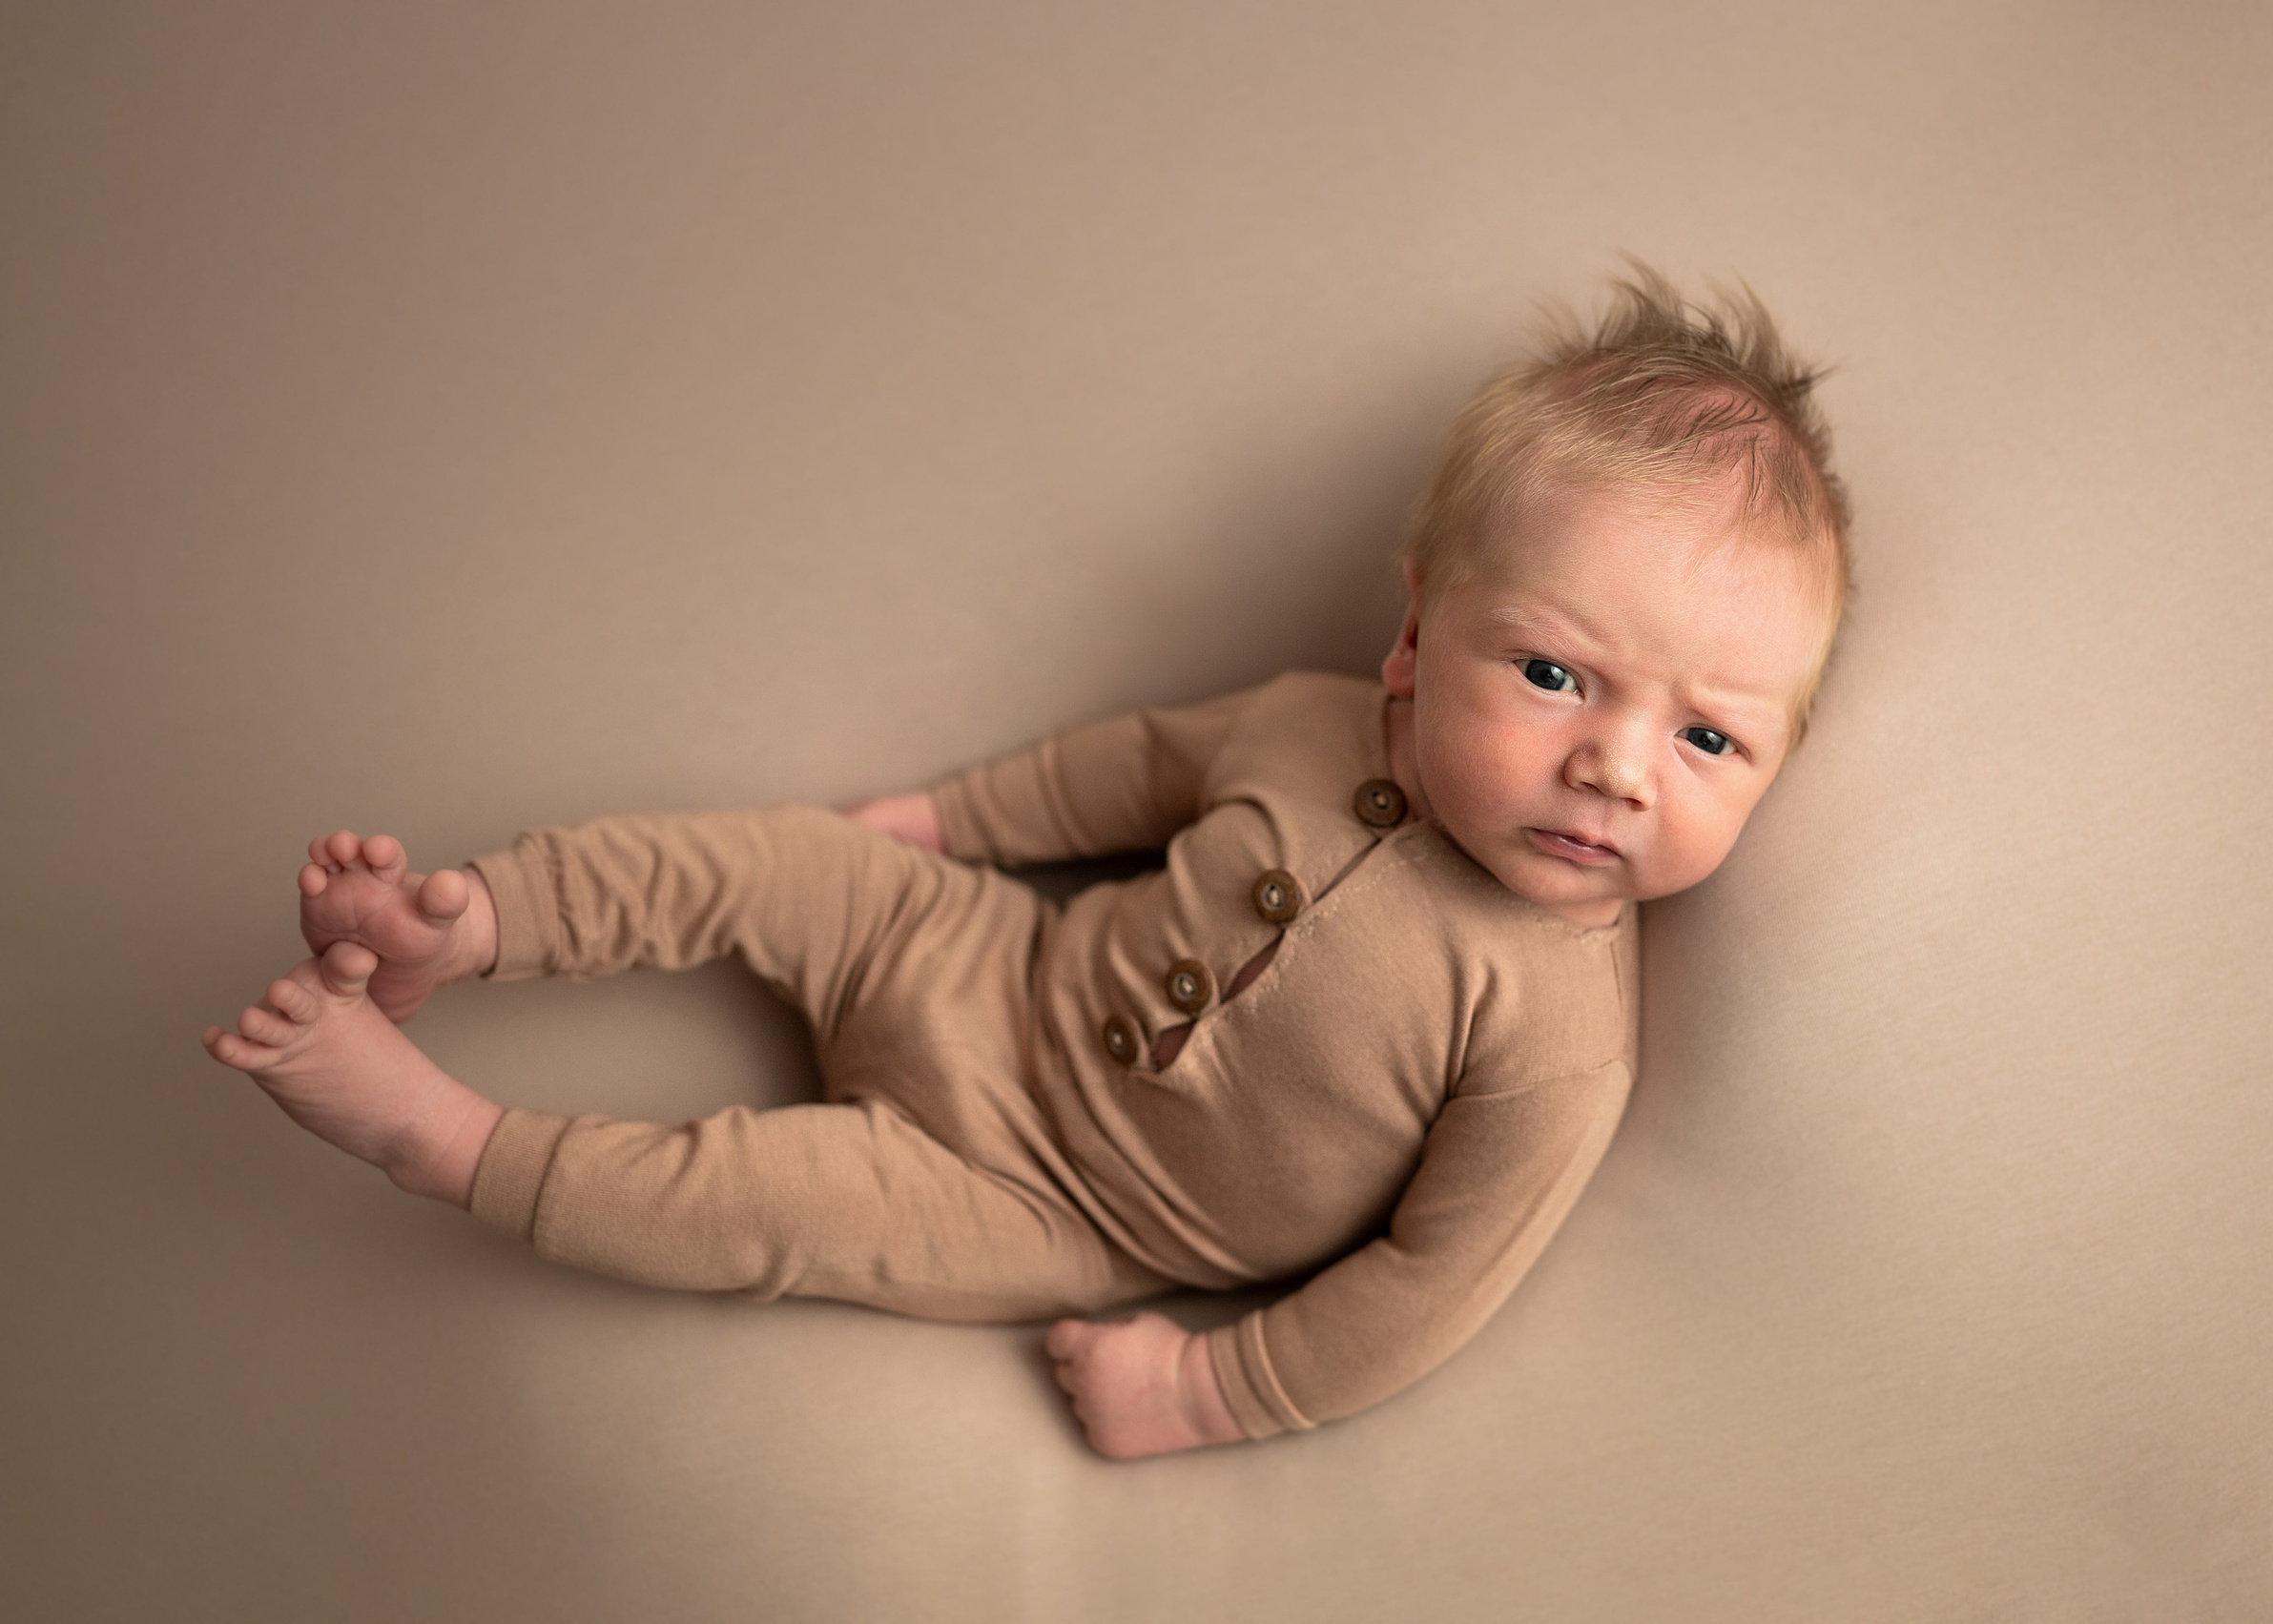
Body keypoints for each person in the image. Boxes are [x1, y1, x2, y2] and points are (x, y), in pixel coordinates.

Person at [201, 261, 1852, 1458]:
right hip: (988, 962)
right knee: (778, 863)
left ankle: (447, 1142)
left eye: (1710, 739)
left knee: (778, 1210)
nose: (1615, 767)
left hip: (1057, 1205)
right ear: (1417, 638)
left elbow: (1432, 1286)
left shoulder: (1559, 1033)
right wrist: (944, 828)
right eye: (1556, 673)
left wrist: (1205, 1392)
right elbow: (1132, 768)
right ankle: (470, 923)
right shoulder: (1310, 722)